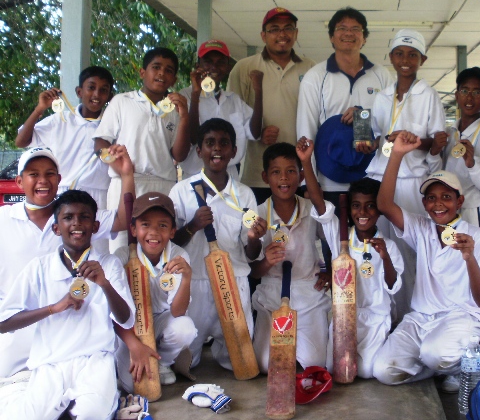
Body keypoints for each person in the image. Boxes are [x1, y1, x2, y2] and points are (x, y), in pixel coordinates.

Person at [0, 145, 135, 378]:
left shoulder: (74, 216)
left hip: (68, 330)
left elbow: (124, 219)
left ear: (59, 178)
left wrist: (126, 175)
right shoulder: (4, 220)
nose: (43, 180)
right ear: (20, 181)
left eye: (49, 173)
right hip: (17, 332)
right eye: (34, 174)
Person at [372, 132, 480, 392]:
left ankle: (464, 363)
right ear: (424, 203)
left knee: (435, 352)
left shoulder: (476, 237)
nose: (438, 204)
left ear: (459, 201)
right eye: (431, 198)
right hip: (421, 318)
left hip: (462, 317)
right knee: (383, 370)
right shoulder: (421, 227)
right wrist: (397, 155)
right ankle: (436, 367)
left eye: (446, 197)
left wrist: (469, 258)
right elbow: (383, 204)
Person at [0, 190, 135, 419]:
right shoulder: (39, 268)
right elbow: (4, 323)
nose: (77, 224)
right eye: (68, 217)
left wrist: (104, 284)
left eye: (84, 217)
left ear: (95, 226)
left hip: (95, 360)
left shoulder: (108, 264)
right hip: (50, 363)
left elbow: (126, 319)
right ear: (56, 227)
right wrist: (54, 307)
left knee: (92, 414)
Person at [302, 138, 403, 379]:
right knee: (334, 369)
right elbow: (319, 203)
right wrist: (307, 162)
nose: (362, 213)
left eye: (370, 206)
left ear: (379, 210)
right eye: (357, 206)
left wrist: (385, 257)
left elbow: (393, 285)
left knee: (367, 372)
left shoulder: (388, 246)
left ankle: (391, 340)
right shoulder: (341, 237)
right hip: (345, 316)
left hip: (375, 318)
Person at [363, 29, 444, 320]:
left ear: (422, 59)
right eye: (399, 53)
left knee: (411, 251)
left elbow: (437, 142)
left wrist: (411, 142)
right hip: (381, 178)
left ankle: (413, 316)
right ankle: (389, 317)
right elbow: (374, 138)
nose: (405, 60)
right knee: (382, 247)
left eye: (412, 55)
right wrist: (370, 138)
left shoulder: (428, 95)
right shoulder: (383, 96)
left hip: (411, 182)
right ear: (391, 58)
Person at [169, 119, 260, 370]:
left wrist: (254, 239)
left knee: (239, 364)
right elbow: (169, 243)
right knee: (186, 365)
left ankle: (226, 348)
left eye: (224, 143)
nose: (216, 149)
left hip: (233, 281)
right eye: (209, 143)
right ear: (199, 151)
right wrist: (192, 226)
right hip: (194, 283)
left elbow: (252, 254)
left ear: (234, 150)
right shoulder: (180, 191)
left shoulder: (245, 194)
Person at [93, 47, 190, 251]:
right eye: (156, 67)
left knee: (160, 248)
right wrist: (118, 166)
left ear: (174, 79)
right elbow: (101, 142)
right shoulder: (122, 101)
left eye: (169, 70)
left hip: (163, 184)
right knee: (123, 246)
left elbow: (179, 155)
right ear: (143, 72)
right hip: (126, 183)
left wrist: (184, 118)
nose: (162, 73)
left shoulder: (175, 108)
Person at [248, 141, 332, 373]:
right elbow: (252, 270)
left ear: (301, 176)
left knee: (314, 364)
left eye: (291, 171)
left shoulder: (311, 209)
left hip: (309, 294)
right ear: (265, 177)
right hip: (271, 296)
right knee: (266, 364)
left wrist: (330, 272)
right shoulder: (256, 213)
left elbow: (332, 239)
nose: (284, 178)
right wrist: (265, 259)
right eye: (276, 172)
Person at [297, 7, 393, 201]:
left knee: (373, 231)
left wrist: (366, 122)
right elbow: (306, 130)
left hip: (373, 177)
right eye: (342, 28)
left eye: (356, 28)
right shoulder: (315, 76)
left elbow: (392, 125)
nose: (349, 33)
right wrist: (310, 183)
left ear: (364, 38)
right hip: (328, 180)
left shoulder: (381, 75)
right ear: (332, 37)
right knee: (333, 231)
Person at [228, 7, 315, 204]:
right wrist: (255, 133)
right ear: (263, 35)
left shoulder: (311, 68)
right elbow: (232, 119)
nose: (282, 34)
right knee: (259, 230)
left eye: (288, 28)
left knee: (295, 230)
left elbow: (318, 116)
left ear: (296, 33)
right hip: (258, 174)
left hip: (298, 174)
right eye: (274, 29)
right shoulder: (244, 68)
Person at [114, 192, 197, 389]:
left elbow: (177, 312)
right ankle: (132, 357)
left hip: (161, 320)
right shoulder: (122, 256)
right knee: (130, 387)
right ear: (133, 229)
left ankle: (163, 362)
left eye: (162, 225)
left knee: (185, 327)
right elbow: (114, 313)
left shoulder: (178, 254)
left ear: (173, 231)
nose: (153, 232)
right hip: (131, 326)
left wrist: (186, 278)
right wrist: (134, 345)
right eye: (145, 225)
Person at [15, 66, 114, 210]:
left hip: (100, 197)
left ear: (110, 96)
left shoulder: (113, 124)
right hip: (63, 194)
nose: (96, 94)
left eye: (103, 90)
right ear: (79, 92)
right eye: (91, 88)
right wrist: (40, 108)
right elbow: (21, 141)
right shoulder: (61, 120)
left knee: (98, 232)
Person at [430, 67, 480, 248]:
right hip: (448, 210)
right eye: (465, 91)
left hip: (474, 211)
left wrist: (472, 164)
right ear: (457, 95)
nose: (469, 97)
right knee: (452, 263)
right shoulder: (449, 132)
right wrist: (434, 152)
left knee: (477, 262)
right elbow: (437, 173)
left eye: (477, 92)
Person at [180, 39, 262, 179]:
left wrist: (258, 91)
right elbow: (193, 138)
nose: (214, 67)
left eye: (220, 62)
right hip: (196, 175)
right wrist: (195, 94)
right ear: (197, 65)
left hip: (229, 175)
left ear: (228, 67)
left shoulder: (233, 99)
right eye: (208, 62)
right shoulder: (185, 96)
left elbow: (255, 133)